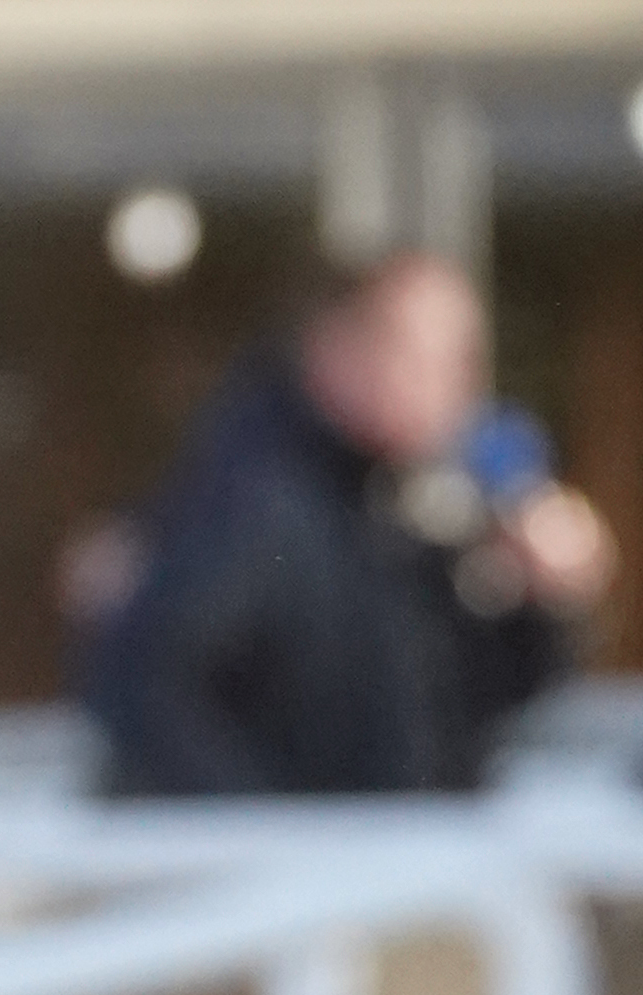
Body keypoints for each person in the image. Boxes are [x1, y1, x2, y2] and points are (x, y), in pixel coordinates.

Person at [77, 247, 612, 799]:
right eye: (431, 359)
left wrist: (539, 601)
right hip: (313, 876)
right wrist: (276, 839)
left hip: (371, 869)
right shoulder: (262, 503)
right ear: (338, 352)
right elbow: (141, 685)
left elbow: (462, 706)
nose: (460, 387)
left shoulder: (384, 501)